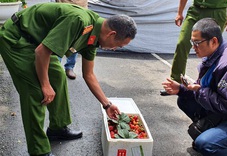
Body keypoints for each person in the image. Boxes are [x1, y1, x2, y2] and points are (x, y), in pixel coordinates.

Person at [0, 2, 137, 156]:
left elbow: (89, 74)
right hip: (17, 38)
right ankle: (38, 151)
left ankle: (57, 128)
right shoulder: (78, 21)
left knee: (58, 76)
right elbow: (41, 53)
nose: (114, 49)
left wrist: (107, 105)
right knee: (36, 92)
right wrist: (45, 85)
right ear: (111, 34)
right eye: (117, 46)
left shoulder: (94, 36)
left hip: (38, 43)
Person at [162, 18, 227, 155]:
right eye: (192, 42)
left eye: (197, 43)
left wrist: (199, 90)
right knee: (184, 99)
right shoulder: (213, 55)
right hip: (225, 113)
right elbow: (205, 91)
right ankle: (214, 135)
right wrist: (182, 89)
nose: (193, 47)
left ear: (214, 41)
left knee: (204, 145)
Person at [160, 0, 227, 96]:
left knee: (212, 50)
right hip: (196, 10)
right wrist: (179, 12)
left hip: (217, 12)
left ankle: (206, 86)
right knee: (182, 43)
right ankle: (176, 80)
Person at [55, 0, 88, 79]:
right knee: (59, 39)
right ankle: (56, 67)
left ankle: (70, 67)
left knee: (76, 40)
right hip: (64, 5)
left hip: (81, 6)